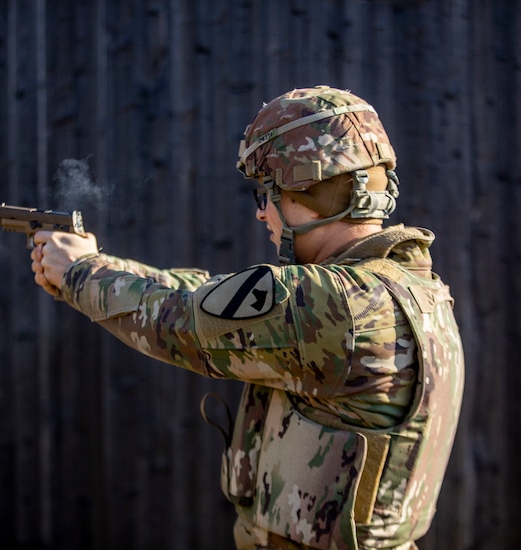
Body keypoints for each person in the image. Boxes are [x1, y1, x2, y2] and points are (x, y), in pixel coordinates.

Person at [31, 85, 464, 550]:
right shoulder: (398, 289)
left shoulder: (334, 304)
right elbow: (208, 296)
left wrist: (78, 273)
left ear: (308, 193)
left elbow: (181, 323)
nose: (262, 214)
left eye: (267, 194)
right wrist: (98, 262)